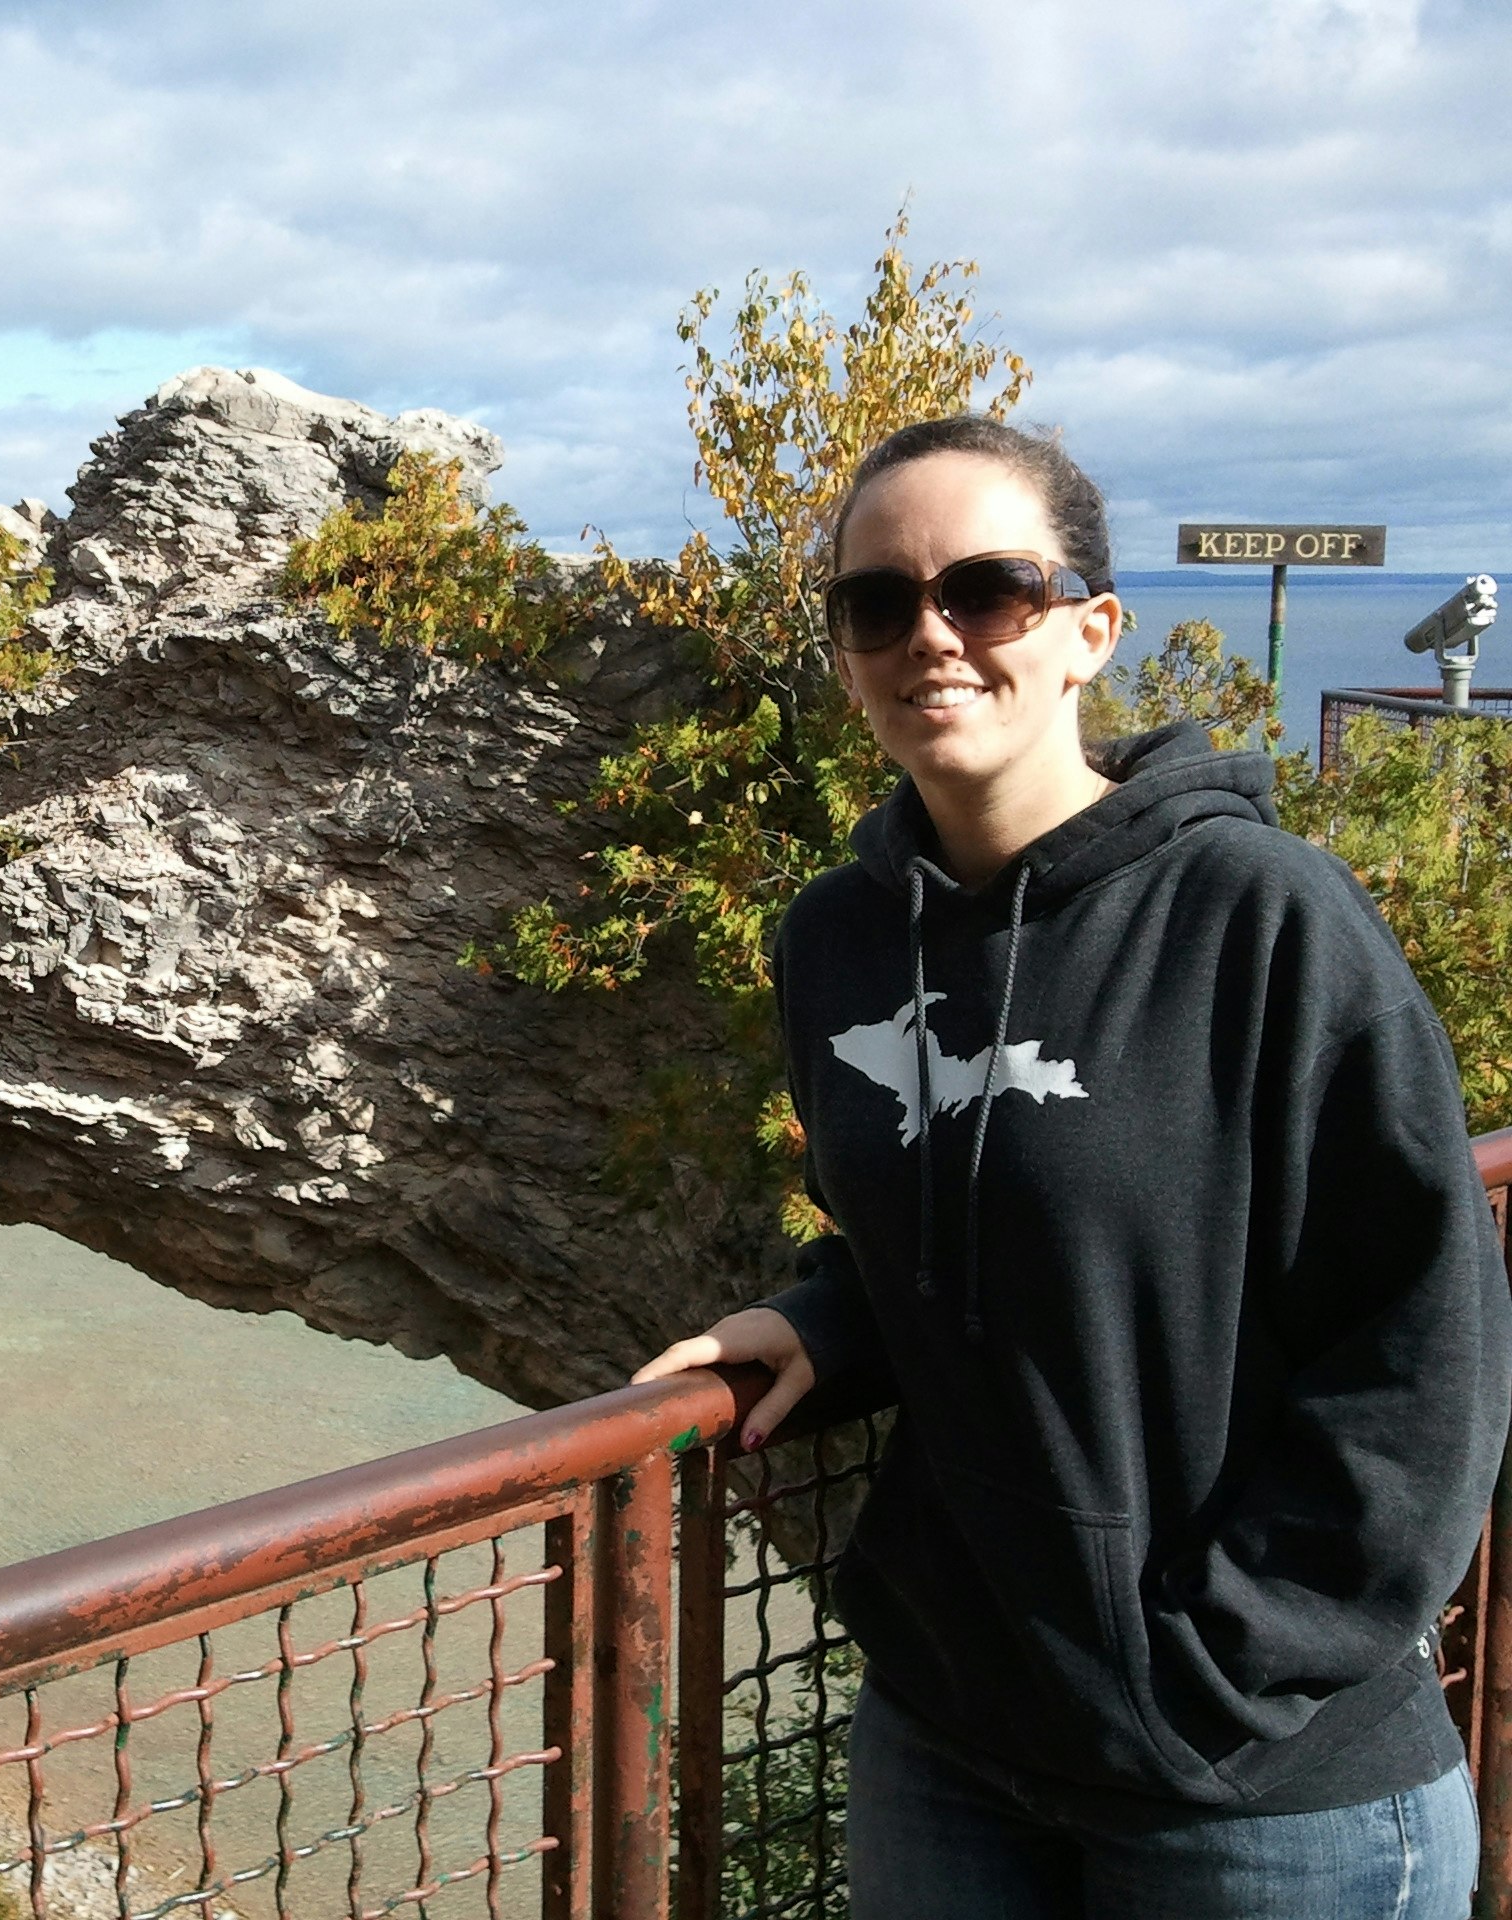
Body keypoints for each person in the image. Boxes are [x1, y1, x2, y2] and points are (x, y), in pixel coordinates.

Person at [637, 415, 1511, 1918]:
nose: (930, 636)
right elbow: (946, 1210)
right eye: (875, 603)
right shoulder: (837, 944)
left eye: (987, 590)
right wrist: (833, 1319)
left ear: (1089, 631)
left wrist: (1220, 1664)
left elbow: (1427, 1337)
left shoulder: (1261, 918)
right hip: (952, 1738)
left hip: (1255, 1786)